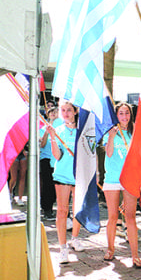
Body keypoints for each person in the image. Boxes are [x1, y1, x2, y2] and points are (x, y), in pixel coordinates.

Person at [103, 102, 141, 267]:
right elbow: (109, 153)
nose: (124, 116)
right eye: (121, 113)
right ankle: (110, 249)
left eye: (127, 113)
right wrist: (112, 137)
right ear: (116, 115)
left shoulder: (135, 133)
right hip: (112, 179)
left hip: (130, 179)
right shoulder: (111, 132)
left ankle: (135, 254)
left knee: (130, 217)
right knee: (113, 216)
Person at [47, 100, 84, 264]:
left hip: (79, 176)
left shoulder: (82, 130)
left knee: (78, 210)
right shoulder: (58, 130)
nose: (66, 113)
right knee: (62, 211)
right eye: (63, 110)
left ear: (75, 111)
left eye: (69, 110)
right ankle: (63, 247)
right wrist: (53, 138)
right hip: (62, 175)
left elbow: (89, 154)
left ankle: (74, 238)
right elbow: (57, 156)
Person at [39, 107, 59, 220]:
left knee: (57, 184)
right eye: (51, 112)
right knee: (47, 185)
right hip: (46, 159)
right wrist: (47, 131)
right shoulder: (43, 127)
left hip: (57, 159)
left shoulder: (62, 127)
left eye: (56, 112)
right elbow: (42, 144)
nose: (54, 114)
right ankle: (47, 209)